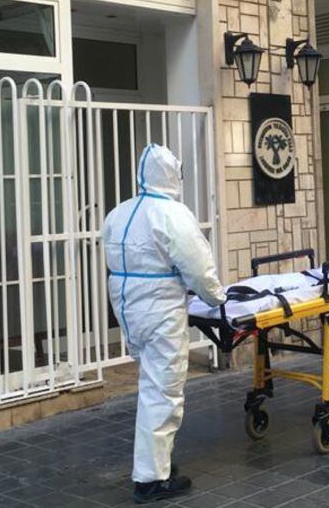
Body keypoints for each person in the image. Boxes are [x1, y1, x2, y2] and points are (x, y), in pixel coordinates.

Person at [102, 143, 226, 504]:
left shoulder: (118, 213)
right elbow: (198, 265)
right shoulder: (172, 214)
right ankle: (151, 479)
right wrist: (216, 297)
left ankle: (157, 460)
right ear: (173, 175)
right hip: (160, 310)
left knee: (150, 385)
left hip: (128, 308)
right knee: (164, 391)